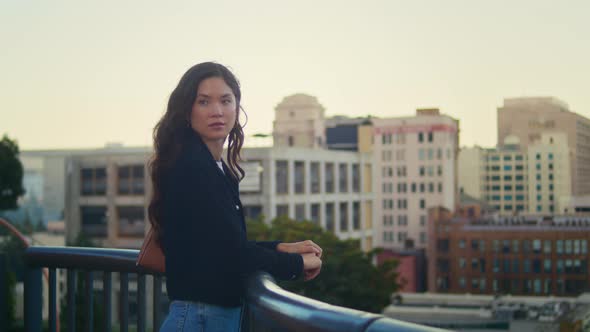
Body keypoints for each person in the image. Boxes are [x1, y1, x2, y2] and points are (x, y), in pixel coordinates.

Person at [148, 62, 323, 331]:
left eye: (226, 101)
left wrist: (279, 247)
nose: (217, 111)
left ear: (236, 107)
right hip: (199, 318)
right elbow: (229, 254)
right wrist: (296, 264)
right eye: (203, 102)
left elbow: (219, 241)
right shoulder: (193, 166)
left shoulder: (214, 166)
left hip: (204, 317)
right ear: (186, 110)